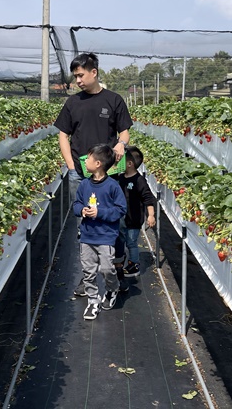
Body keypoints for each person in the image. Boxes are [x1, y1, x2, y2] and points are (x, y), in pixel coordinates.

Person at [54, 52, 132, 296]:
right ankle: (88, 278)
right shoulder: (73, 103)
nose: (77, 80)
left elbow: (125, 132)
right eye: (75, 76)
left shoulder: (113, 100)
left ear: (94, 72)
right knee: (84, 226)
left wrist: (121, 144)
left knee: (114, 223)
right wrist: (70, 165)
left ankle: (116, 268)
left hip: (110, 176)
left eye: (80, 75)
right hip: (81, 174)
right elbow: (63, 135)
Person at [73, 144, 128, 320]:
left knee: (106, 268)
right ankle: (92, 300)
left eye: (88, 159)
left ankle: (112, 289)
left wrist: (100, 213)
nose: (85, 161)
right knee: (88, 270)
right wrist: (82, 210)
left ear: (97, 163)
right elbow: (76, 204)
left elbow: (121, 209)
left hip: (106, 236)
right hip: (87, 235)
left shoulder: (112, 186)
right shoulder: (83, 185)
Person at [114, 146, 157, 280]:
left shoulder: (139, 180)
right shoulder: (121, 178)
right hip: (122, 217)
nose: (118, 161)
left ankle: (134, 265)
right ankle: (122, 258)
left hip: (134, 219)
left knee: (131, 242)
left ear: (130, 164)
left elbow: (148, 198)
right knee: (122, 239)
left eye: (122, 160)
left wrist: (151, 215)